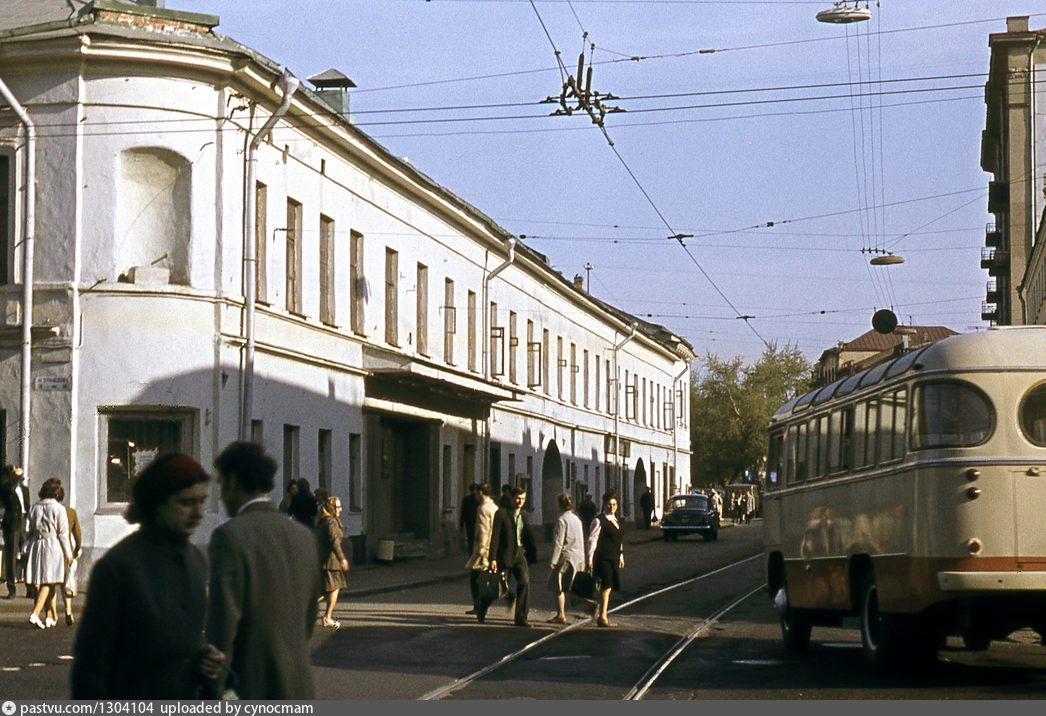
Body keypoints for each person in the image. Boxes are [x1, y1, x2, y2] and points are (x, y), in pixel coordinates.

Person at [71, 453, 224, 698]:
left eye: (201, 501)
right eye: (186, 502)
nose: (198, 512)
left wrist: (202, 659)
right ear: (157, 503)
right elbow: (91, 668)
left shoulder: (196, 559)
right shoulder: (118, 567)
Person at [206, 441, 322, 700]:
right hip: (298, 687)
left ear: (233, 481)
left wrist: (213, 690)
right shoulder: (304, 537)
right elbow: (308, 618)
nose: (222, 495)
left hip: (250, 688)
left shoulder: (229, 537)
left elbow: (222, 625)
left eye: (222, 485)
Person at [23, 478, 73, 629]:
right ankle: (35, 613)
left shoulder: (34, 508)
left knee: (47, 580)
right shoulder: (59, 509)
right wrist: (68, 554)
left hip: (37, 544)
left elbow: (26, 530)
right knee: (49, 581)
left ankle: (50, 615)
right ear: (57, 493)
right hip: (53, 545)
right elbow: (63, 534)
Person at [490, 486, 536, 627]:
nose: (519, 502)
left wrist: (532, 554)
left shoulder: (524, 516)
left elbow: (528, 537)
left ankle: (521, 617)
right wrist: (492, 558)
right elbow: (495, 536)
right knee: (499, 588)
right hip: (504, 554)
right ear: (511, 499)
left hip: (519, 553)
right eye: (517, 498)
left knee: (524, 582)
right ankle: (481, 606)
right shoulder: (502, 514)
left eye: (522, 499)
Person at [586, 490, 624, 628]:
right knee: (606, 586)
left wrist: (621, 556)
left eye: (614, 504)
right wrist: (589, 557)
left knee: (607, 587)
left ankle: (598, 609)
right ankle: (602, 617)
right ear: (604, 504)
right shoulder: (599, 520)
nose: (612, 507)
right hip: (602, 558)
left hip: (613, 557)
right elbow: (592, 540)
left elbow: (619, 541)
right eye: (609, 504)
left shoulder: (616, 520)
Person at [547, 492, 585, 624]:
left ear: (559, 505)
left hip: (565, 557)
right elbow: (581, 539)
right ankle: (590, 602)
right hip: (578, 556)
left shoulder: (561, 520)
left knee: (558, 586)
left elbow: (559, 541)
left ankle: (560, 614)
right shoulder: (577, 520)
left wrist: (553, 560)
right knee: (572, 586)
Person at [463, 482, 497, 622]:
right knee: (487, 579)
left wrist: (481, 550)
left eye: (477, 493)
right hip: (492, 549)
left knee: (476, 579)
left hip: (483, 551)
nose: (475, 496)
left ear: (481, 493)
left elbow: (483, 530)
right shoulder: (494, 507)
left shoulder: (482, 508)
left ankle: (479, 606)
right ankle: (480, 606)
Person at [315, 496, 349, 629]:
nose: (340, 509)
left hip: (324, 561)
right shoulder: (331, 522)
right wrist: (342, 559)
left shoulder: (323, 521)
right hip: (330, 563)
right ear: (331, 508)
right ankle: (327, 617)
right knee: (333, 588)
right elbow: (334, 543)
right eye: (338, 507)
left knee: (324, 591)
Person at [1, 464, 30, 599]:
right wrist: (16, 475)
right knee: (11, 556)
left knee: (27, 555)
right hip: (12, 523)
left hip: (23, 521)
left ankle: (30, 586)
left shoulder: (24, 489)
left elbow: (27, 506)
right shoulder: (6, 487)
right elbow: (11, 485)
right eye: (13, 471)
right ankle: (11, 588)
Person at [56, 485, 81, 625]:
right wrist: (77, 548)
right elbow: (77, 533)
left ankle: (52, 614)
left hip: (53, 548)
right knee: (67, 581)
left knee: (52, 582)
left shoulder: (50, 510)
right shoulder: (71, 512)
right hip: (68, 551)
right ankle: (68, 610)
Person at [458, 483, 479, 554]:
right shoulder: (478, 500)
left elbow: (463, 513)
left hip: (469, 523)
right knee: (475, 540)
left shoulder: (466, 500)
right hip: (475, 523)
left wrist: (461, 524)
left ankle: (471, 554)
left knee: (471, 540)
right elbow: (463, 512)